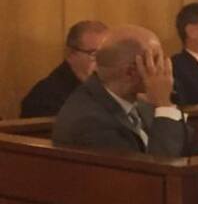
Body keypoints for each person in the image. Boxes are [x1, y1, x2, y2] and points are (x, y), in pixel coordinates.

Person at [52, 25, 188, 156]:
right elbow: (157, 167)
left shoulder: (139, 102)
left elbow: (190, 148)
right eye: (155, 60)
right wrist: (164, 105)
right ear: (130, 72)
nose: (164, 67)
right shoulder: (90, 122)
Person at [20, 20, 108, 117]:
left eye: (108, 54)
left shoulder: (109, 87)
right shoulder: (44, 98)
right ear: (70, 53)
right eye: (94, 54)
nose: (104, 62)